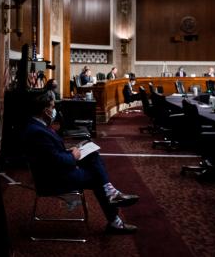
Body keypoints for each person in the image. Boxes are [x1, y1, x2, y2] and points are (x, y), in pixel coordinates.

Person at [24, 93, 139, 234]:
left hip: (57, 171)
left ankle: (112, 199)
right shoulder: (37, 131)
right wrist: (73, 156)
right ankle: (114, 215)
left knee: (92, 155)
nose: (54, 110)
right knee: (97, 177)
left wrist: (69, 151)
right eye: (52, 107)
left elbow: (50, 156)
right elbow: (53, 161)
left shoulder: (38, 126)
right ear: (45, 110)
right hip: (53, 180)